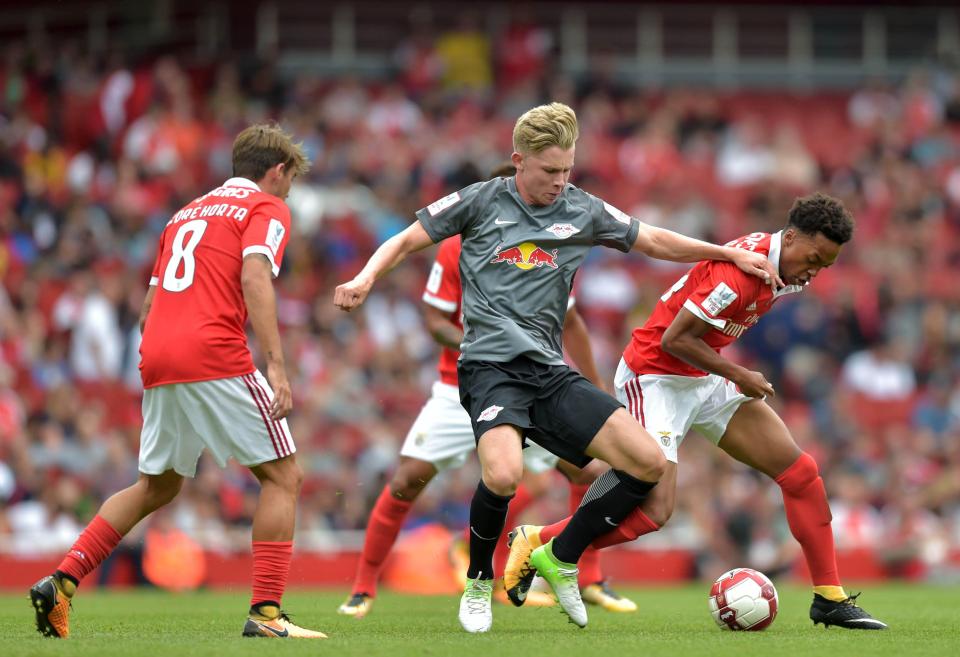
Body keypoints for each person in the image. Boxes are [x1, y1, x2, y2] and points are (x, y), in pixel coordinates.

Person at [334, 102, 778, 632]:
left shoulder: (582, 208)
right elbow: (407, 239)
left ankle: (559, 556)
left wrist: (726, 254)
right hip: (490, 368)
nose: (559, 181)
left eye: (567, 170)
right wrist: (364, 278)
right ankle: (478, 583)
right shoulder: (479, 202)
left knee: (647, 463)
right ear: (518, 161)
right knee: (502, 475)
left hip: (548, 370)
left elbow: (655, 239)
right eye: (549, 171)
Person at [504, 193, 888, 630]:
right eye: (815, 258)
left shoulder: (784, 267)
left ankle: (829, 597)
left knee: (801, 474)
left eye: (826, 265)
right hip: (655, 376)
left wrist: (727, 372)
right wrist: (739, 374)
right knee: (655, 512)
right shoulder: (741, 272)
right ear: (793, 236)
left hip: (703, 375)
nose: (815, 271)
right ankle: (539, 540)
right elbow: (675, 339)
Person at [29, 124, 327, 639]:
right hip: (213, 352)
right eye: (289, 181)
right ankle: (267, 615)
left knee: (156, 485)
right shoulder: (265, 208)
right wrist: (276, 366)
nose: (288, 193)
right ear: (276, 172)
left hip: (159, 356)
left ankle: (62, 582)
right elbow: (255, 275)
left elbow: (148, 309)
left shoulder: (183, 214)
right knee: (284, 476)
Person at [337, 226, 636, 619]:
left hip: (530, 385)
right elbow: (435, 320)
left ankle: (588, 577)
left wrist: (597, 386)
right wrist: (485, 348)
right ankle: (363, 587)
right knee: (409, 479)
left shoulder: (542, 249)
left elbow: (571, 321)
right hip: (459, 383)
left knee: (587, 471)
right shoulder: (456, 248)